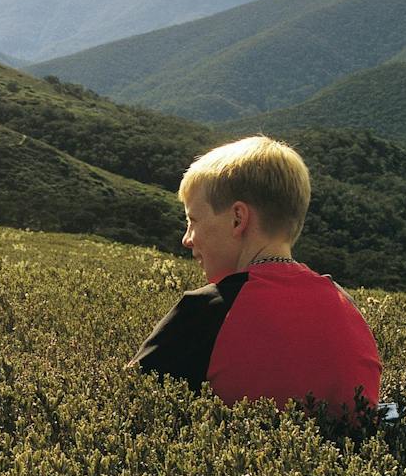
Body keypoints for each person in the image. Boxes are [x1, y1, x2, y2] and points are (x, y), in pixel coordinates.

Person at [131, 134, 380, 417]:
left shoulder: (206, 311)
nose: (187, 239)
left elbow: (123, 401)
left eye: (193, 221)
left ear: (238, 218)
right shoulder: (347, 307)